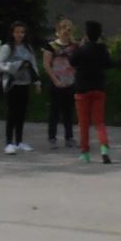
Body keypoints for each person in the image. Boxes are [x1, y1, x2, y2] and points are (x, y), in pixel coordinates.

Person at [0, 20, 41, 154]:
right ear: (12, 33)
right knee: (12, 113)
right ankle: (9, 143)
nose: (19, 35)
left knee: (22, 113)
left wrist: (37, 82)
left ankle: (19, 141)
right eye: (17, 32)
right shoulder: (7, 47)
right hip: (12, 84)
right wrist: (14, 66)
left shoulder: (28, 48)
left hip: (24, 83)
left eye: (22, 32)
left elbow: (33, 66)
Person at [72, 20, 112, 164]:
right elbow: (109, 64)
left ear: (86, 34)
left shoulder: (81, 49)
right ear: (99, 35)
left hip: (82, 89)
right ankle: (104, 147)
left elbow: (72, 61)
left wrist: (80, 46)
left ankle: (85, 153)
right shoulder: (102, 49)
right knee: (99, 121)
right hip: (99, 88)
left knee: (84, 123)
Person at [42, 17, 78, 148]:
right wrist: (55, 80)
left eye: (69, 29)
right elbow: (46, 64)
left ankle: (69, 137)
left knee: (69, 111)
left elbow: (77, 61)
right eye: (64, 28)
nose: (66, 32)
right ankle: (52, 138)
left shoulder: (74, 46)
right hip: (56, 81)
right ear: (58, 30)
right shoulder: (51, 45)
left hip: (70, 81)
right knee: (54, 111)